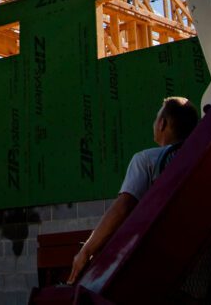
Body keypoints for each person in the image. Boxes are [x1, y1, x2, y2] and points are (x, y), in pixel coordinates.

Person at [67, 96, 199, 284]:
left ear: (162, 124)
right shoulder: (199, 162)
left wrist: (85, 252)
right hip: (197, 266)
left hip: (159, 268)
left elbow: (123, 208)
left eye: (156, 118)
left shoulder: (146, 160)